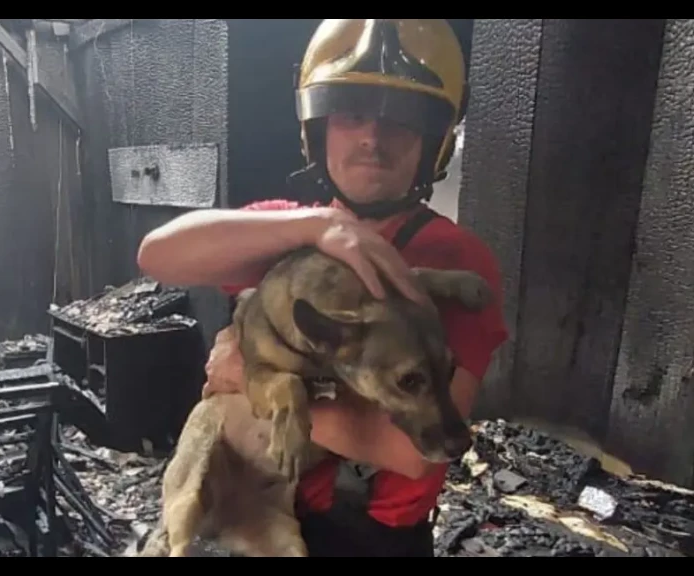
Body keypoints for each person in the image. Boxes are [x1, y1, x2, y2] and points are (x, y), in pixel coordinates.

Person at [137, 19, 508, 557]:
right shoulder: (284, 231)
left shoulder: (452, 258)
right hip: (261, 511)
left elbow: (409, 452)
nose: (372, 139)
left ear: (436, 142)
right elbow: (159, 254)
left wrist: (246, 377)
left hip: (366, 538)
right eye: (353, 113)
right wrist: (315, 227)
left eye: (400, 122)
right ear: (319, 127)